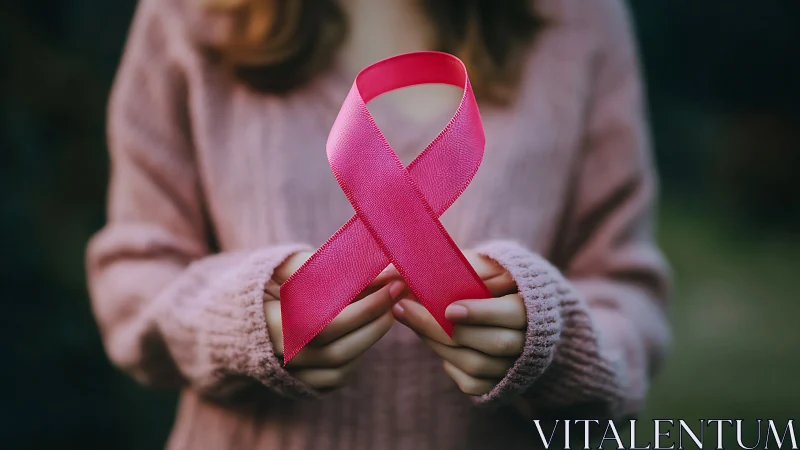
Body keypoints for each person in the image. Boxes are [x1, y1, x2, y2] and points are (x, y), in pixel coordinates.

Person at [86, 0, 671, 447]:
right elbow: (133, 278)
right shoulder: (190, 15)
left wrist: (553, 342)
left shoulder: (579, 21)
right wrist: (237, 321)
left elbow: (628, 294)